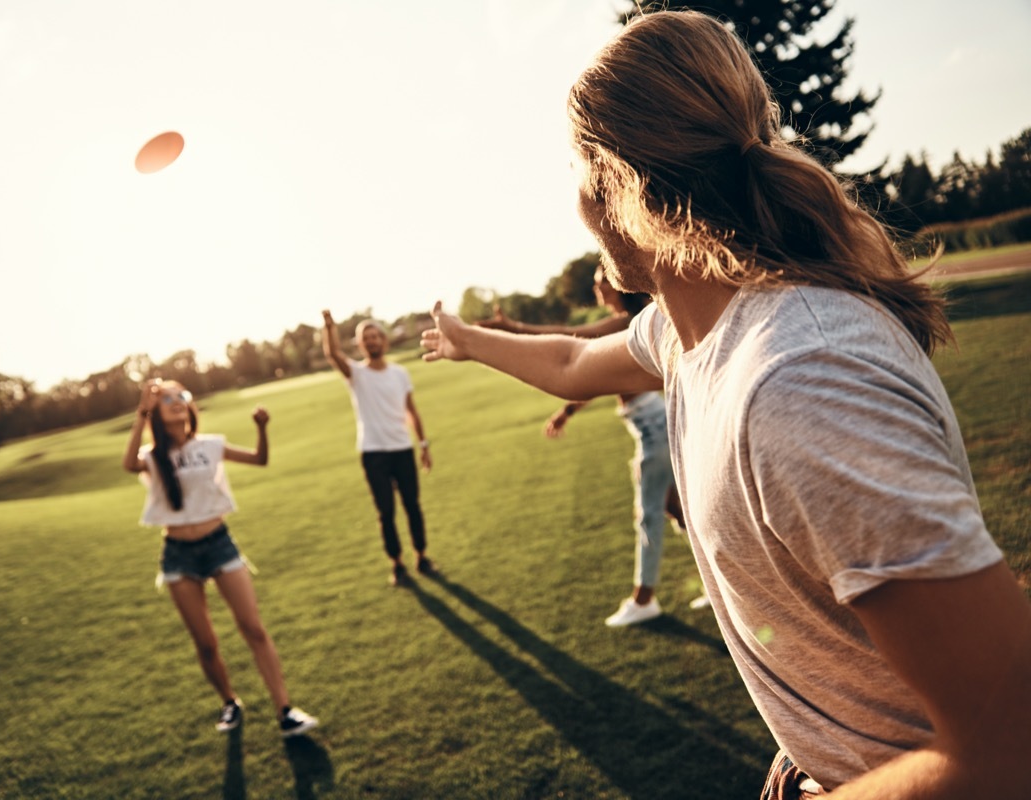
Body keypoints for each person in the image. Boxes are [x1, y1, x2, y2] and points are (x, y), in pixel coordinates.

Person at [420, 10, 1031, 797]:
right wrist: (469, 339)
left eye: (578, 166)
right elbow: (574, 360)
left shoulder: (801, 381)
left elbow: (1007, 747)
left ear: (618, 182)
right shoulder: (691, 333)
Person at [481, 271, 708, 626]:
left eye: (601, 280)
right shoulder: (627, 321)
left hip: (654, 430)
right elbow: (595, 377)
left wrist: (510, 327)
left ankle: (644, 599)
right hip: (653, 424)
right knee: (677, 510)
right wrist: (568, 410)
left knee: (648, 515)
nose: (596, 286)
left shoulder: (624, 323)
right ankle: (715, 582)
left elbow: (570, 343)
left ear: (617, 285)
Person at [122, 379, 318, 737]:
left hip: (220, 544)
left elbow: (260, 459)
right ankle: (229, 701)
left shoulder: (211, 445)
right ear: (156, 410)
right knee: (206, 643)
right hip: (178, 556)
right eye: (165, 398)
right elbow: (128, 464)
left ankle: (285, 710)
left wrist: (261, 428)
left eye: (180, 395)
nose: (175, 401)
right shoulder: (152, 456)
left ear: (190, 405)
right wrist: (141, 413)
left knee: (254, 628)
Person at [321, 311, 436, 587]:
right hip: (373, 452)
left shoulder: (400, 374)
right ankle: (397, 564)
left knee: (412, 506)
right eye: (366, 339)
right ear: (360, 345)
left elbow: (412, 411)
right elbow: (333, 354)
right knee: (386, 511)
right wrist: (328, 327)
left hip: (402, 448)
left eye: (375, 336)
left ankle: (422, 556)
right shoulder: (356, 375)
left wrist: (422, 444)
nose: (372, 342)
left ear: (383, 340)